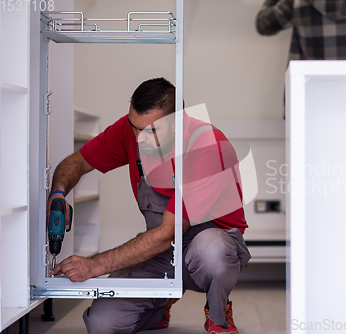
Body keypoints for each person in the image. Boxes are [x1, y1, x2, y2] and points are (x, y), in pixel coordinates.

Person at [47, 77, 251, 334]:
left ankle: (218, 313)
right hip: (161, 252)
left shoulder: (208, 147)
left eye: (152, 131)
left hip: (204, 247)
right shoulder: (131, 130)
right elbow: (76, 162)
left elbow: (167, 234)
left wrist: (94, 265)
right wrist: (58, 193)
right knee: (102, 325)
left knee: (211, 250)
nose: (139, 137)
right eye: (135, 127)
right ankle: (159, 306)